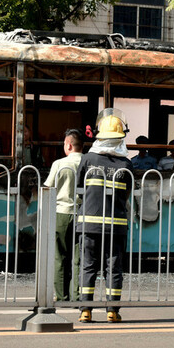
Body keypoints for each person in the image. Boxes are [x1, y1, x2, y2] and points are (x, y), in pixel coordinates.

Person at [75, 109, 134, 323]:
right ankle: (112, 311)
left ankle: (85, 310)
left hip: (89, 224)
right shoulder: (126, 165)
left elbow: (79, 187)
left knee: (88, 266)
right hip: (115, 226)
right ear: (120, 138)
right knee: (114, 269)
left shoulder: (88, 159)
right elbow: (127, 193)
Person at [43, 129, 84, 302]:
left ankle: (61, 296)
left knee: (59, 257)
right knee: (78, 258)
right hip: (82, 214)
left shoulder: (59, 164)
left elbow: (48, 187)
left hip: (61, 213)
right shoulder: (88, 162)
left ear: (68, 145)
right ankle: (76, 296)